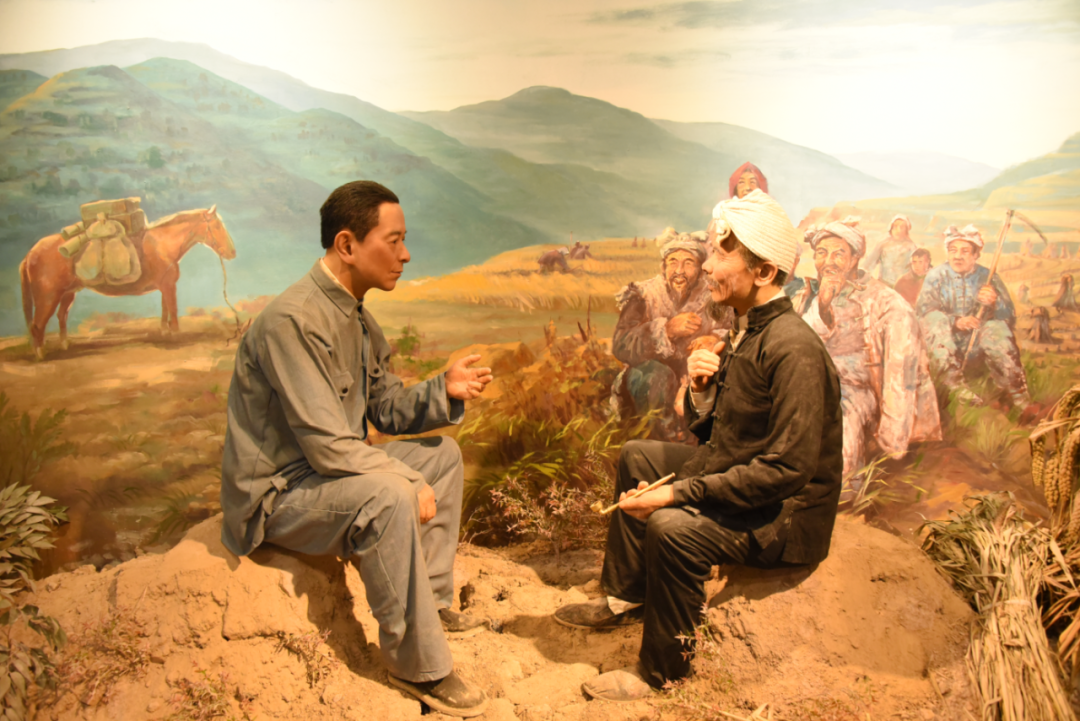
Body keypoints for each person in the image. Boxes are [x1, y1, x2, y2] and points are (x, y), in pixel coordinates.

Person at [556, 189, 843, 701]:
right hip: (749, 479)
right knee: (638, 455)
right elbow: (722, 435)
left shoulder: (792, 348)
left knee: (670, 528)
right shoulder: (748, 331)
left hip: (785, 517)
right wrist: (702, 392)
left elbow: (786, 471)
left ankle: (662, 672)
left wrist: (676, 495)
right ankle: (627, 598)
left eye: (721, 254)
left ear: (764, 272)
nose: (707, 266)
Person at [220, 181, 492, 718]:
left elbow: (384, 407)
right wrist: (405, 480)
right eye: (394, 240)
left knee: (440, 458)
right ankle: (419, 667)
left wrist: (445, 390)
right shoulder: (294, 321)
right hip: (281, 494)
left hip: (327, 474)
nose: (405, 254)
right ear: (347, 245)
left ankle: (433, 604)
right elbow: (328, 446)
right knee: (390, 495)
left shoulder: (357, 316)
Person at [798, 219, 940, 477]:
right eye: (821, 253)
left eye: (839, 254)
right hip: (813, 381)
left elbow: (902, 373)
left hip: (859, 390)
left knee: (841, 418)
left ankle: (845, 487)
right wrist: (823, 307)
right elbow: (801, 344)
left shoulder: (887, 303)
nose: (829, 262)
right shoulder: (812, 295)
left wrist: (891, 439)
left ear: (855, 259)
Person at [610, 235, 733, 439]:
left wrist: (715, 340)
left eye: (689, 263)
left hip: (696, 376)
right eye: (673, 262)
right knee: (655, 375)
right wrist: (666, 330)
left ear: (700, 268)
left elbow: (735, 331)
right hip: (650, 380)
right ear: (663, 267)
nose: (679, 271)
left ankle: (702, 439)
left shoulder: (714, 295)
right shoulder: (643, 294)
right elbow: (621, 344)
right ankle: (660, 442)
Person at [916, 224, 1030, 409]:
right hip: (944, 342)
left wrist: (995, 302)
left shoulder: (988, 276)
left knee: (997, 329)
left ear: (976, 255)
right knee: (934, 319)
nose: (957, 256)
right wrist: (956, 322)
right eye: (953, 250)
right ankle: (954, 386)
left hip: (978, 344)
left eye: (965, 251)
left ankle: (1017, 393)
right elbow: (923, 313)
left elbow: (1009, 316)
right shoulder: (935, 276)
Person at [863, 214, 917, 287]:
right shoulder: (883, 245)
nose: (898, 230)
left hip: (903, 287)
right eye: (895, 227)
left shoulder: (911, 247)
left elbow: (916, 270)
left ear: (906, 230)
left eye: (902, 227)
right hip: (883, 286)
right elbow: (868, 265)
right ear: (891, 228)